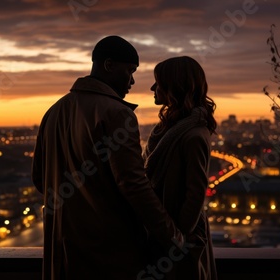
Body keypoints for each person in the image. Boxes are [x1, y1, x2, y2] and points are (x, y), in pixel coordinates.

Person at [31, 35, 185, 280]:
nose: (132, 80)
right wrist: (173, 237)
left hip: (61, 249)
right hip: (108, 250)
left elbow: (40, 178)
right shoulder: (117, 114)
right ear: (109, 65)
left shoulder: (54, 111)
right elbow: (133, 185)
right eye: (130, 71)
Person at [143, 56, 218, 279]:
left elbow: (195, 195)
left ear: (175, 86)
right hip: (167, 235)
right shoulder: (171, 129)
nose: (153, 88)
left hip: (180, 241)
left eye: (159, 82)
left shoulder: (193, 135)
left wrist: (177, 237)